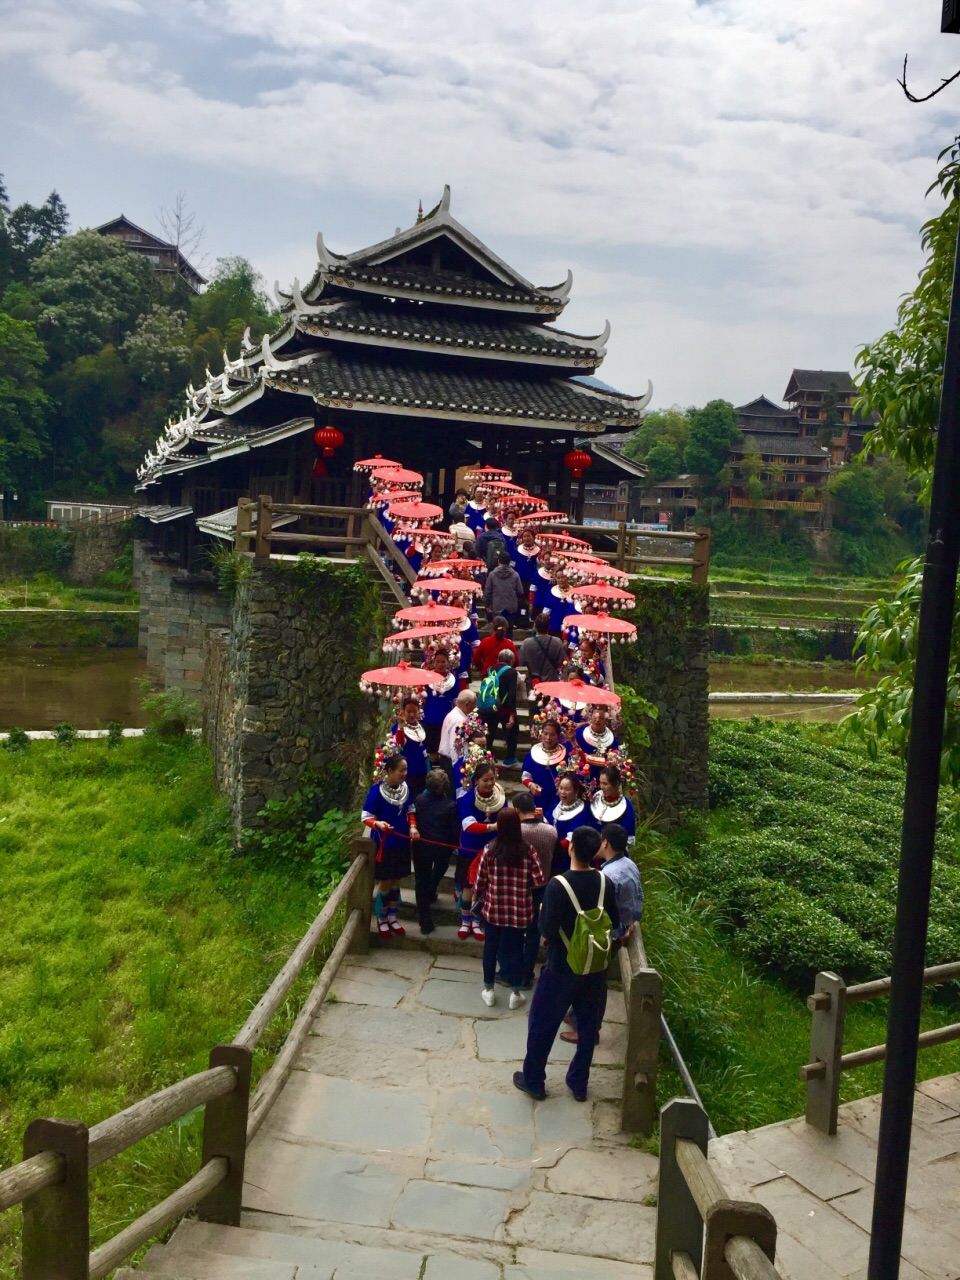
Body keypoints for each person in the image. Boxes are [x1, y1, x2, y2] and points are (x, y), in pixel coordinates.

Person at [514, 825, 620, 1102]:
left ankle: (534, 1080)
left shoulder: (558, 885)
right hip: (596, 966)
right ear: (596, 851)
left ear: (571, 847)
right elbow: (615, 922)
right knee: (587, 1026)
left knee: (542, 1023)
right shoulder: (605, 882)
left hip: (563, 965)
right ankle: (579, 1083)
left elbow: (547, 930)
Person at [561, 823, 642, 1045]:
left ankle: (588, 1030)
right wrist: (630, 923)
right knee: (592, 980)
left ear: (605, 843)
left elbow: (604, 911)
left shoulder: (609, 875)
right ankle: (577, 1016)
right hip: (621, 929)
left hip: (607, 936)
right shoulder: (629, 864)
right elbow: (637, 898)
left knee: (593, 983)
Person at [473, 807, 546, 1009]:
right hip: (519, 911)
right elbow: (539, 880)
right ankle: (516, 992)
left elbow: (479, 882)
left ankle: (488, 989)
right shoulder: (528, 850)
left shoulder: (490, 850)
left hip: (494, 909)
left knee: (490, 949)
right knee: (516, 951)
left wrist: (478, 897)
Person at [361, 754, 418, 937]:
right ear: (389, 771)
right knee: (385, 881)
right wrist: (378, 824)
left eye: (406, 770)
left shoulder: (405, 788)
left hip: (401, 842)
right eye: (401, 770)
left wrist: (413, 826)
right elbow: (366, 816)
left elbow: (410, 809)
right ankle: (381, 918)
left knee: (396, 880)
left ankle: (393, 916)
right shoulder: (376, 791)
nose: (404, 773)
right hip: (385, 844)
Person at [511, 789, 559, 989]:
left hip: (516, 887)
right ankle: (527, 974)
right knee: (532, 933)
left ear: (516, 810)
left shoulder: (516, 832)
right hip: (541, 886)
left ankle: (511, 971)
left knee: (513, 932)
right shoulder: (551, 831)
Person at [457, 761, 507, 939]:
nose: (490, 783)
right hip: (470, 848)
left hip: (491, 849)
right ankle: (465, 921)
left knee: (485, 887)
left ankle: (477, 922)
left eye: (492, 779)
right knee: (468, 885)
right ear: (476, 780)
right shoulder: (468, 799)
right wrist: (493, 827)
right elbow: (468, 825)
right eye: (485, 780)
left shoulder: (500, 797)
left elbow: (506, 818)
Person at [412, 769, 461, 934]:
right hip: (442, 848)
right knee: (441, 867)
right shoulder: (450, 806)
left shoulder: (419, 801)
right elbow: (455, 830)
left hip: (421, 847)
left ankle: (424, 920)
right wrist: (454, 844)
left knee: (421, 881)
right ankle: (431, 889)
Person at [521, 717, 572, 816]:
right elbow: (525, 777)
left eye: (552, 734)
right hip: (537, 799)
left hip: (559, 799)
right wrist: (531, 785)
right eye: (545, 733)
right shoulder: (533, 753)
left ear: (558, 735)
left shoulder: (565, 754)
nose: (548, 738)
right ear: (541, 733)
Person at [479, 648, 520, 767]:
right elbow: (512, 694)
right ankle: (509, 758)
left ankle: (489, 755)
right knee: (512, 731)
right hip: (505, 708)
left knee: (490, 732)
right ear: (511, 661)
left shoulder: (490, 669)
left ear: (498, 659)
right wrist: (512, 714)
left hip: (490, 707)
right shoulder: (512, 672)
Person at [420, 650, 459, 754]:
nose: (440, 664)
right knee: (431, 743)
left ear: (448, 662)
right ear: (434, 662)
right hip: (430, 713)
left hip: (446, 713)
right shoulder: (427, 676)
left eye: (443, 661)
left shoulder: (453, 678)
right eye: (437, 662)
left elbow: (456, 696)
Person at [551, 771, 590, 873]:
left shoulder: (581, 814)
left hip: (567, 859)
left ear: (575, 791)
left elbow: (570, 840)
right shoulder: (555, 806)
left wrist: (551, 848)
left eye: (567, 789)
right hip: (551, 855)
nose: (562, 792)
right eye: (561, 788)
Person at [588, 765, 637, 844]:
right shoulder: (595, 798)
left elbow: (628, 839)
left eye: (605, 784)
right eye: (600, 783)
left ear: (616, 784)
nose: (601, 787)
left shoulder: (627, 806)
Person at [392, 697, 428, 798]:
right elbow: (399, 744)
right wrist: (400, 726)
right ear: (403, 711)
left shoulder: (420, 726)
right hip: (408, 771)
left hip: (422, 768)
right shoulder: (397, 727)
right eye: (408, 712)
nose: (412, 715)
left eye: (414, 711)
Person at [519, 613, 567, 686]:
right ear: (549, 627)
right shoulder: (557, 642)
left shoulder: (526, 643)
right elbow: (562, 662)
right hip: (552, 682)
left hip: (534, 682)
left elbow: (521, 662)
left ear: (535, 626)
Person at [575, 707, 620, 781]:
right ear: (591, 717)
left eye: (601, 718)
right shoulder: (580, 733)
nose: (597, 720)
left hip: (603, 779)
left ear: (606, 720)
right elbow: (572, 753)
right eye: (595, 716)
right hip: (581, 776)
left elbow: (615, 761)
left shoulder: (612, 739)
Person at [483, 552, 525, 631]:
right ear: (509, 562)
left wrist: (487, 604)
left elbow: (487, 592)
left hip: (497, 607)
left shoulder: (492, 575)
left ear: (498, 561)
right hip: (511, 608)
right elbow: (520, 591)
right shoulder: (515, 575)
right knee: (509, 631)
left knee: (497, 631)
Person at [438, 690, 477, 771]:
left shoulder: (452, 714)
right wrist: (458, 767)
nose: (475, 708)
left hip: (446, 759)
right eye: (474, 705)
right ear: (467, 704)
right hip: (451, 762)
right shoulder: (459, 720)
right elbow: (456, 746)